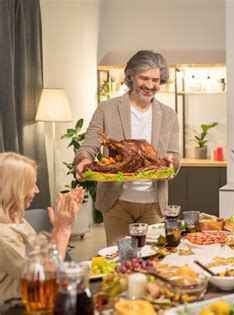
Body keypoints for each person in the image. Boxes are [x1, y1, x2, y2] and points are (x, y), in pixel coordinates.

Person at [74, 50, 180, 246]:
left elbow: (174, 154)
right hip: (116, 203)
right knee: (120, 259)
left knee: (152, 261)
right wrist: (84, 159)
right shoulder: (107, 109)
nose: (150, 85)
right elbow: (89, 145)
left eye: (155, 80)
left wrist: (171, 162)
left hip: (153, 204)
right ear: (131, 76)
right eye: (144, 78)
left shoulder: (169, 115)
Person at [0, 152, 84, 304]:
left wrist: (60, 228)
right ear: (14, 188)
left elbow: (45, 259)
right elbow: (44, 278)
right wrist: (63, 230)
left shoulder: (17, 220)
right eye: (31, 185)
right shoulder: (3, 236)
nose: (37, 190)